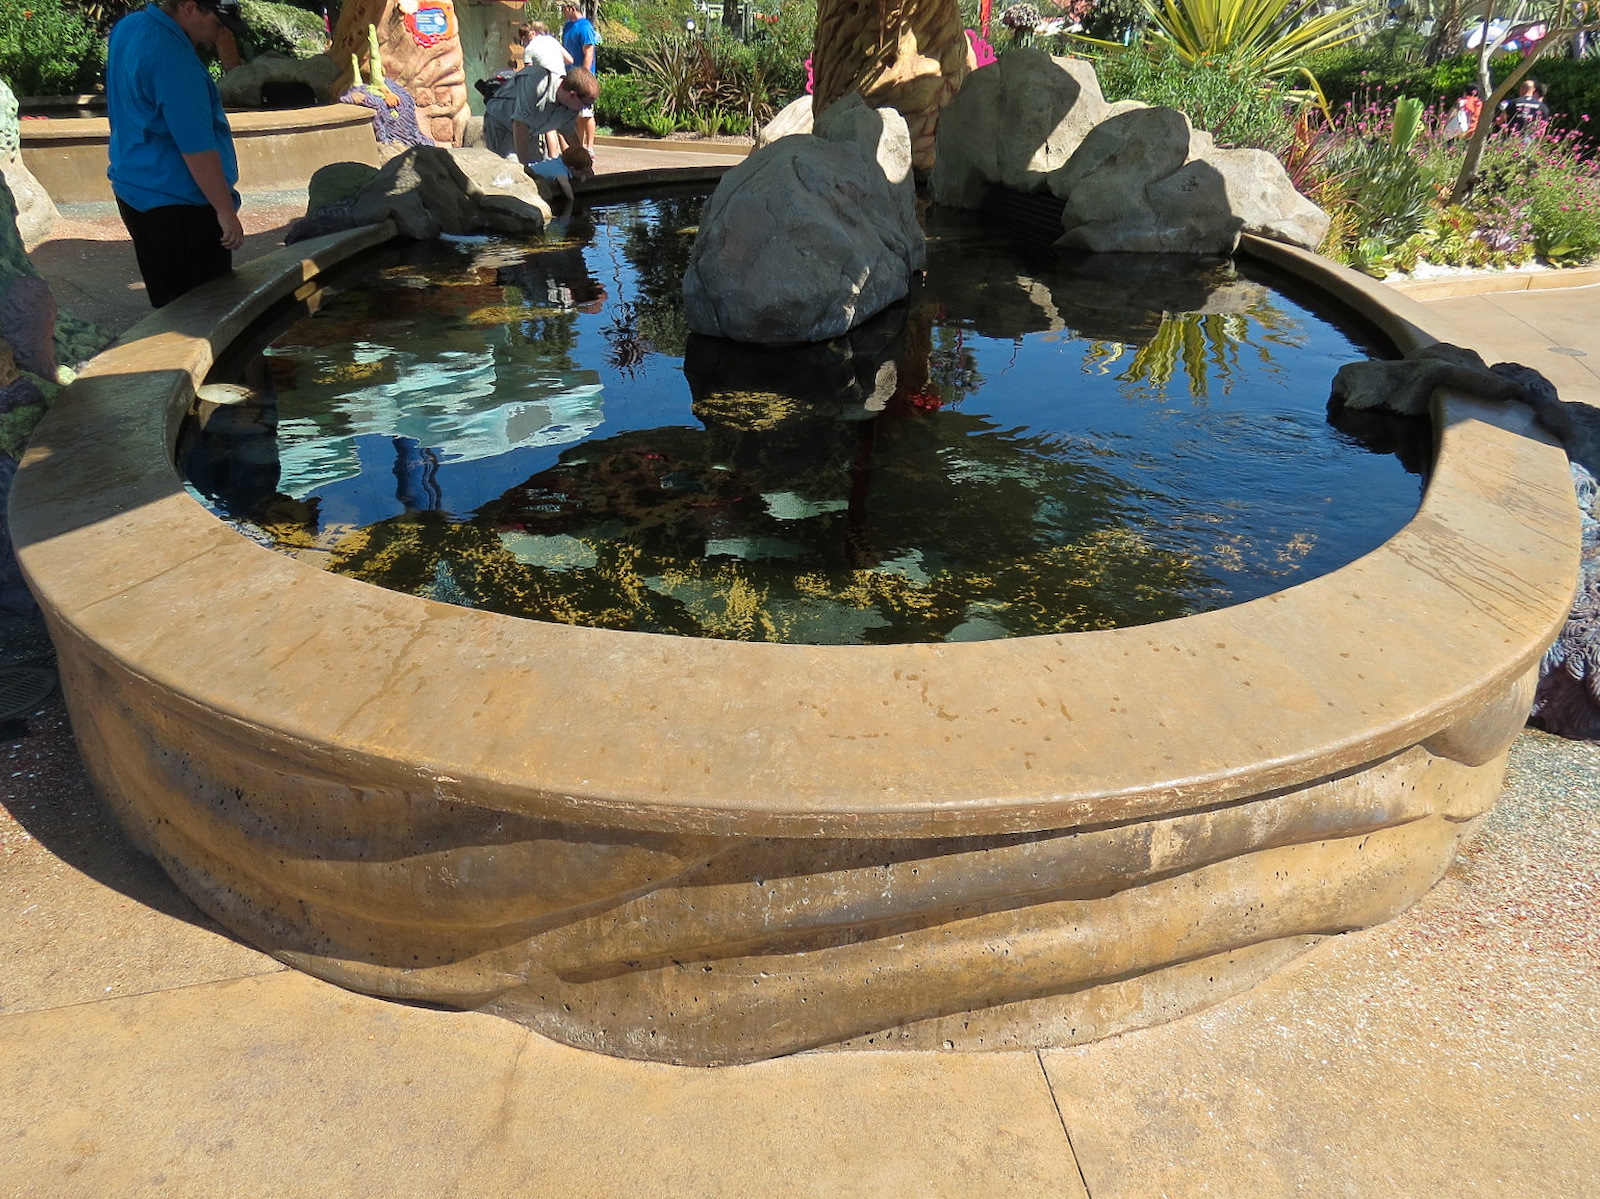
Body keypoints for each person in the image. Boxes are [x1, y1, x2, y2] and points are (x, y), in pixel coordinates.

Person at [105, 0, 248, 308]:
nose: (221, 32)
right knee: (207, 312)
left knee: (170, 306)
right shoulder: (175, 61)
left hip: (134, 191)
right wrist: (224, 210)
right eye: (217, 21)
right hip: (183, 206)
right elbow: (195, 146)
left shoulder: (129, 27)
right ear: (189, 7)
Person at [560, 1, 599, 155]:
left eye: (564, 8)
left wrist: (583, 78)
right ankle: (579, 148)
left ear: (572, 8)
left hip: (582, 79)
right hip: (570, 76)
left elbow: (589, 53)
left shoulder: (585, 27)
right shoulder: (568, 27)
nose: (563, 11)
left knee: (586, 114)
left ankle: (589, 148)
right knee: (576, 116)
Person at [527, 144, 593, 209]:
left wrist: (583, 176)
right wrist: (572, 199)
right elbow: (564, 184)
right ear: (572, 169)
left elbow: (588, 173)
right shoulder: (560, 170)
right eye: (582, 173)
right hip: (528, 177)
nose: (584, 175)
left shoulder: (560, 161)